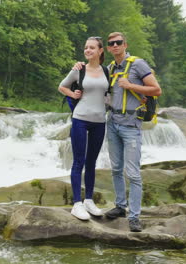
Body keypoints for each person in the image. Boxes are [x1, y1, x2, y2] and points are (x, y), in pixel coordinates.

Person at [81, 32, 161, 232]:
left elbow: (156, 90)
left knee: (133, 173)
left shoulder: (138, 65)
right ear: (107, 48)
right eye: (111, 44)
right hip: (113, 123)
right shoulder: (109, 68)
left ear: (125, 44)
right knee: (116, 169)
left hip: (131, 125)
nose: (115, 45)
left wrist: (131, 85)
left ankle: (134, 216)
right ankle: (120, 206)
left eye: (118, 43)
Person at [58, 36, 109, 220]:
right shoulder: (79, 70)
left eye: (92, 48)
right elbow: (62, 87)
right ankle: (77, 204)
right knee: (78, 161)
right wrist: (73, 93)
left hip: (100, 121)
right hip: (80, 119)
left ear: (100, 50)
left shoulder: (106, 71)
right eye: (86, 47)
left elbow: (108, 93)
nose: (88, 50)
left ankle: (89, 200)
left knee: (91, 162)